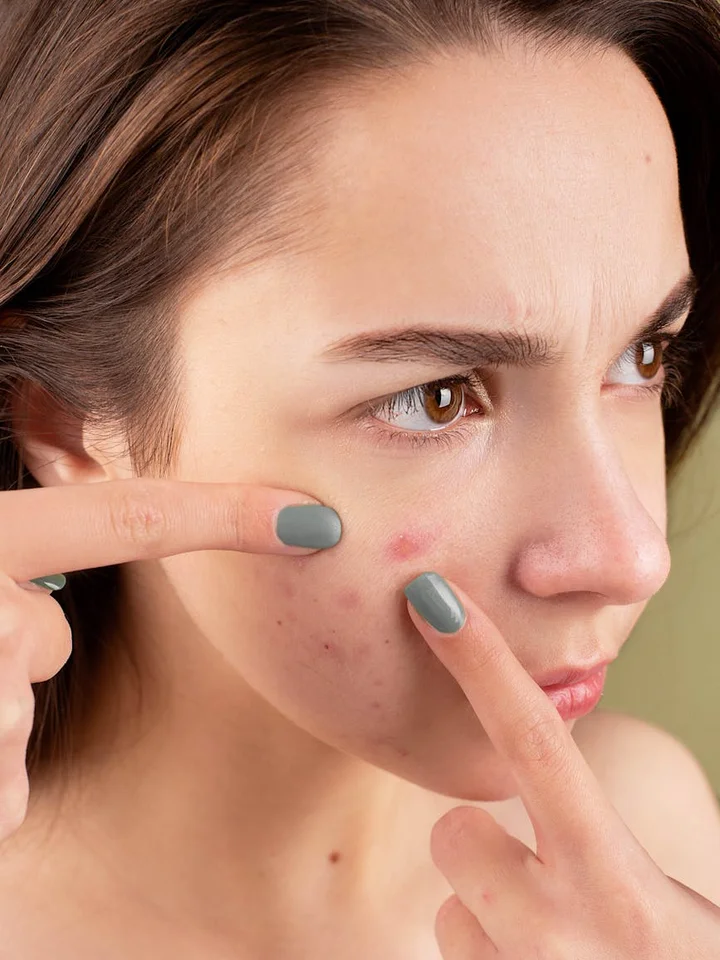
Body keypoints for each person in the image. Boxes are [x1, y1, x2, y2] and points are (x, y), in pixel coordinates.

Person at [0, 0, 720, 956]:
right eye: (438, 396)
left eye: (642, 356)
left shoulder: (648, 847)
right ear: (70, 426)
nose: (632, 557)